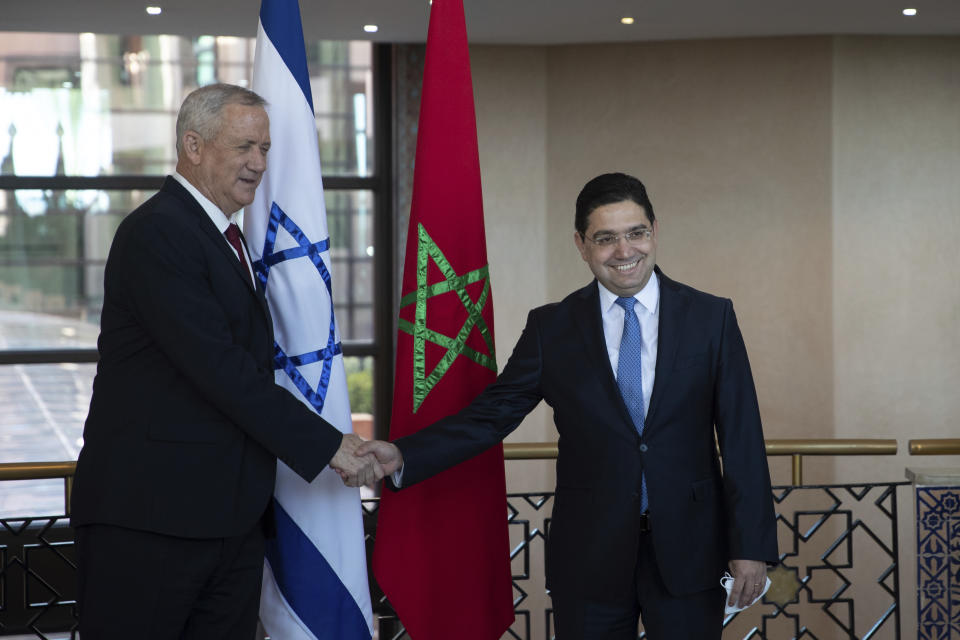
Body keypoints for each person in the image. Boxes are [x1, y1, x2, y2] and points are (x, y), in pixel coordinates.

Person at [358, 172, 778, 639]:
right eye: (606, 239)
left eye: (636, 233)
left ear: (654, 232)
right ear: (581, 244)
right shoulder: (551, 329)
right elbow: (491, 415)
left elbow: (742, 438)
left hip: (692, 551)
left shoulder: (711, 318)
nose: (624, 251)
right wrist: (403, 454)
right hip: (590, 558)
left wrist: (751, 546)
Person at [70, 83, 382, 638]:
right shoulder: (158, 233)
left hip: (225, 525)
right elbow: (222, 371)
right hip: (151, 525)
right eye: (244, 147)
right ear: (193, 145)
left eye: (264, 149)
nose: (259, 163)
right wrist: (331, 444)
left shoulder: (219, 238)